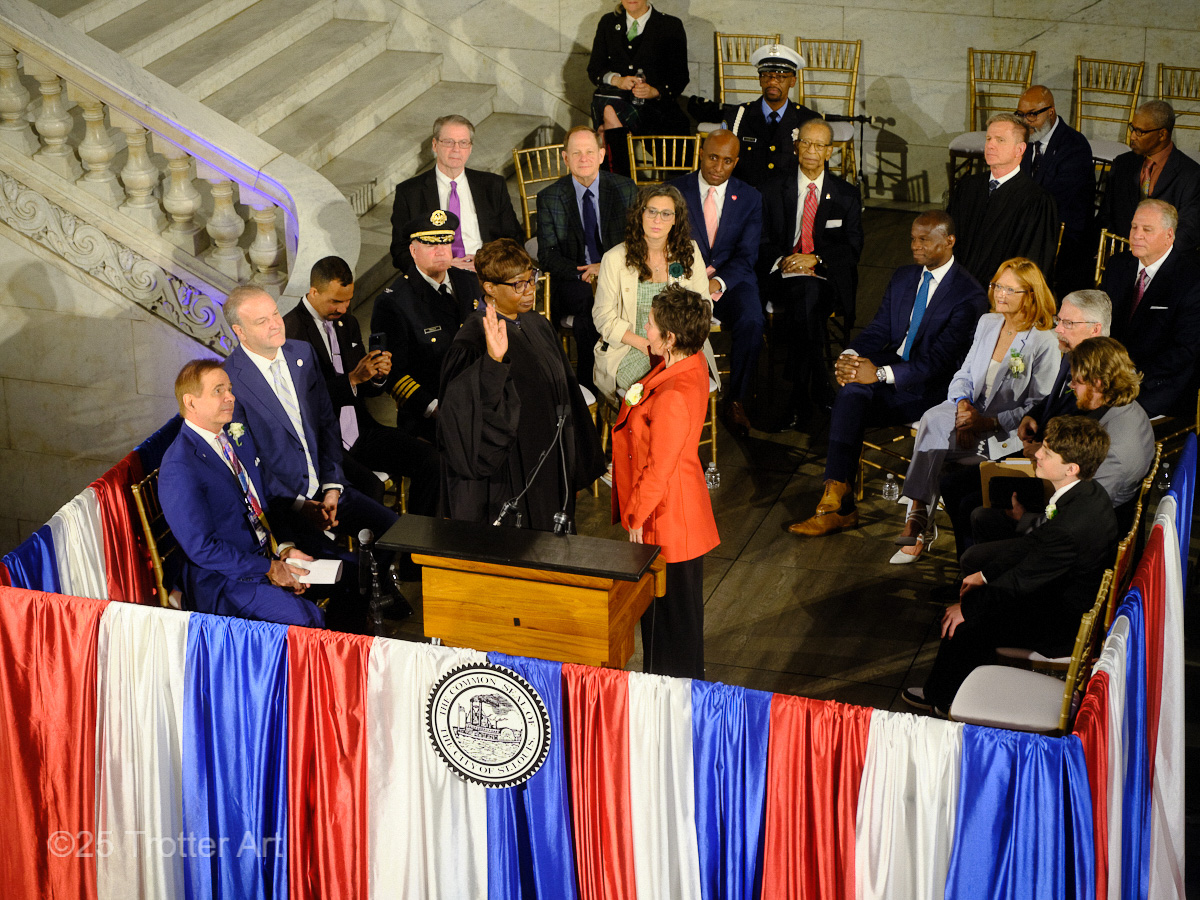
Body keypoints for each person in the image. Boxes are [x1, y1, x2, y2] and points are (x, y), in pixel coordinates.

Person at [788, 210, 988, 537]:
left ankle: (840, 505)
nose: (914, 245)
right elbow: (879, 329)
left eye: (924, 239)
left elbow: (937, 362)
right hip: (892, 366)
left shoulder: (969, 296)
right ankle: (836, 495)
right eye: (912, 238)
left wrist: (879, 374)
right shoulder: (904, 276)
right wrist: (850, 357)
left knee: (852, 400)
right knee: (852, 389)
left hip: (928, 388)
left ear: (949, 241)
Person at [903, 415, 1117, 715]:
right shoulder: (1090, 493)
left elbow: (1020, 581)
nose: (1037, 453)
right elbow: (1034, 542)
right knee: (980, 598)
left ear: (1071, 468)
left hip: (1059, 625)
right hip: (1063, 596)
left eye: (1048, 452)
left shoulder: (1069, 527)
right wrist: (984, 575)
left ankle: (941, 698)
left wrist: (967, 608)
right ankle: (963, 685)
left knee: (964, 622)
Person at [888, 257, 1059, 563]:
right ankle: (918, 512)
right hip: (966, 415)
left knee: (932, 448)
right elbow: (963, 374)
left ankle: (918, 519)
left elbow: (1039, 405)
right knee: (933, 419)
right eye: (997, 286)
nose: (999, 294)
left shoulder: (1044, 340)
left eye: (1009, 289)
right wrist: (963, 406)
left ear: (1030, 294)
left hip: (1004, 431)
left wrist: (987, 423)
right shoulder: (988, 322)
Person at [438, 239, 605, 531]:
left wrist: (573, 464)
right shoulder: (472, 341)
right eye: (518, 284)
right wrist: (493, 362)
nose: (530, 289)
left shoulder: (537, 324)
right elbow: (466, 419)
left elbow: (565, 391)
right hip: (512, 476)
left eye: (531, 279)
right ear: (490, 287)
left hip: (550, 464)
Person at [222, 286, 399, 552]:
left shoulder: (302, 353)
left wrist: (333, 487)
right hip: (285, 507)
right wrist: (300, 504)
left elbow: (326, 424)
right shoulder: (228, 381)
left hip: (328, 490)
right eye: (262, 321)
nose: (275, 324)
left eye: (275, 314)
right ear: (240, 331)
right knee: (342, 567)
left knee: (395, 534)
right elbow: (248, 462)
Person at [940, 288, 1111, 559]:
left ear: (1095, 329)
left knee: (971, 504)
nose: (1058, 329)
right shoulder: (1071, 354)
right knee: (951, 485)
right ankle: (969, 568)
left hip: (1054, 470)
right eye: (1058, 320)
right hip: (1037, 449)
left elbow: (1082, 439)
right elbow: (1051, 400)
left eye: (1068, 323)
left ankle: (982, 568)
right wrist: (1033, 416)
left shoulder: (1099, 373)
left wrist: (1043, 447)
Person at [158, 359, 325, 627]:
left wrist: (285, 547)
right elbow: (203, 548)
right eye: (218, 391)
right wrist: (270, 569)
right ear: (191, 402)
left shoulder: (233, 436)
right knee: (308, 619)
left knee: (352, 575)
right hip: (225, 579)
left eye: (229, 389)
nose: (230, 397)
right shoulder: (180, 465)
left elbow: (265, 498)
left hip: (267, 553)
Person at [611, 284, 719, 679]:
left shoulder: (674, 395)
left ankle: (673, 703)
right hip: (676, 513)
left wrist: (635, 516)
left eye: (652, 324)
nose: (646, 327)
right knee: (674, 625)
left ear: (670, 338)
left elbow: (660, 468)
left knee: (669, 630)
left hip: (668, 520)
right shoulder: (688, 364)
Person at [284, 255, 440, 517]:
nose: (344, 308)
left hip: (361, 431)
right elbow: (304, 402)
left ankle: (416, 536)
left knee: (431, 460)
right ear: (314, 291)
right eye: (336, 301)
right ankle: (379, 545)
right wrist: (353, 379)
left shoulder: (348, 323)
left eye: (348, 300)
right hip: (326, 442)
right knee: (371, 487)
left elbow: (367, 389)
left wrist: (376, 376)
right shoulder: (291, 332)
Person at [974, 336, 1153, 541]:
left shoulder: (1113, 448)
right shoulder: (1124, 407)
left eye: (1077, 380)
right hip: (1078, 508)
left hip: (1081, 537)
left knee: (982, 514)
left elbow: (1079, 513)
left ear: (1098, 383)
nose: (1071, 385)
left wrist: (1024, 520)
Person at [758, 117, 863, 428]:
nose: (811, 150)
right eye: (806, 143)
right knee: (807, 297)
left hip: (826, 277)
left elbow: (853, 247)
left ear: (830, 151)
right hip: (782, 275)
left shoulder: (846, 194)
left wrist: (815, 258)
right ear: (795, 147)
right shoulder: (772, 188)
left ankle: (800, 395)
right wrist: (783, 260)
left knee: (809, 298)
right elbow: (760, 239)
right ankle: (818, 385)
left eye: (819, 145)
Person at [668, 130, 764, 435]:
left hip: (731, 280)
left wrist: (718, 282)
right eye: (712, 157)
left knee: (753, 320)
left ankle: (736, 399)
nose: (718, 167)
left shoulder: (750, 198)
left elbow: (747, 255)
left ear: (735, 162)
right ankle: (678, 394)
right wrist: (690, 280)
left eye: (727, 161)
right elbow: (664, 246)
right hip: (683, 279)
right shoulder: (673, 191)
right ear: (700, 153)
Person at [592, 183, 721, 404]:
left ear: (675, 219)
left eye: (666, 213)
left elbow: (703, 306)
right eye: (651, 211)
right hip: (632, 347)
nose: (657, 220)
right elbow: (603, 316)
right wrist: (646, 345)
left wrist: (674, 345)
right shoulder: (614, 258)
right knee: (662, 394)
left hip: (681, 346)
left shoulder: (689, 252)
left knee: (681, 389)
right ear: (640, 214)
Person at [536, 126, 638, 393]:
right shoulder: (550, 197)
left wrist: (606, 267)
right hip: (574, 278)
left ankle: (617, 376)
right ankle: (593, 387)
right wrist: (583, 272)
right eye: (576, 153)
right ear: (565, 158)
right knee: (591, 303)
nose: (584, 158)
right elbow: (547, 254)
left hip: (618, 273)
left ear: (601, 155)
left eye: (590, 152)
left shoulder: (625, 189)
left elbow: (638, 241)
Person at [372, 209, 485, 442]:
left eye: (445, 242)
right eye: (431, 244)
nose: (441, 250)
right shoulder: (394, 302)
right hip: (432, 418)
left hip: (480, 402)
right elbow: (393, 372)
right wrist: (433, 409)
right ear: (413, 251)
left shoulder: (469, 282)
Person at [1100, 199, 1200, 417]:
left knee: (1106, 418)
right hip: (1110, 374)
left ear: (1169, 235)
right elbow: (1100, 319)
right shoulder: (1118, 265)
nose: (1136, 235)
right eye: (1134, 227)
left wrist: (1129, 377)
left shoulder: (1191, 280)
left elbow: (1184, 351)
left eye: (1147, 229)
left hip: (1158, 383)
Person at [389, 115, 523, 272]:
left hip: (487, 271)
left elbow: (514, 239)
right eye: (448, 142)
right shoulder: (410, 192)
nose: (456, 149)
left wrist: (486, 263)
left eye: (463, 143)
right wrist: (443, 266)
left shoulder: (492, 185)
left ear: (470, 148)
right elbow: (400, 250)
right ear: (435, 145)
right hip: (438, 275)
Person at [947, 113, 1060, 288]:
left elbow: (1031, 263)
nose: (990, 145)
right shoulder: (968, 187)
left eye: (1000, 140)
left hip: (1001, 294)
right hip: (955, 287)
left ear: (1020, 149)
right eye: (988, 139)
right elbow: (948, 239)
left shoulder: (1036, 201)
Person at [687, 43, 817, 187]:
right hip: (745, 196)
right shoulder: (737, 117)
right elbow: (721, 166)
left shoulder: (809, 121)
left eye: (780, 77)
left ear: (792, 81)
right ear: (760, 79)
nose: (772, 82)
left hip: (789, 198)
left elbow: (818, 174)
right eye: (766, 75)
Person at [587, 0, 691, 177]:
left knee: (609, 118)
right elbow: (594, 69)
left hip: (654, 106)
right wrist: (616, 80)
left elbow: (680, 76)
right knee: (610, 109)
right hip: (615, 98)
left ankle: (619, 180)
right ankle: (620, 180)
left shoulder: (670, 25)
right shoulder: (608, 22)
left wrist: (655, 91)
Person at [1015, 85, 1096, 294]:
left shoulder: (1074, 146)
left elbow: (1056, 199)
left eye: (1032, 115)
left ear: (1050, 112)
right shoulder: (1024, 140)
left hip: (1064, 231)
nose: (1026, 121)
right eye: (1021, 114)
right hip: (1032, 221)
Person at [1098, 100, 1200, 252]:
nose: (1132, 136)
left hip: (1165, 261)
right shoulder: (1122, 164)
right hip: (1119, 255)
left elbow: (1188, 232)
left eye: (1140, 132)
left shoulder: (1191, 175)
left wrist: (1151, 258)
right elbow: (1106, 216)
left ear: (1162, 134)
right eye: (1132, 128)